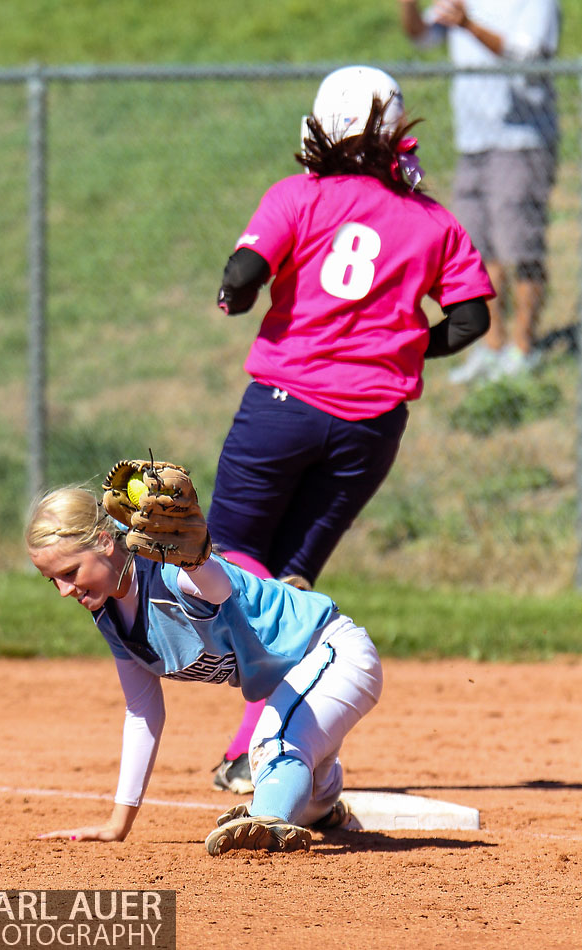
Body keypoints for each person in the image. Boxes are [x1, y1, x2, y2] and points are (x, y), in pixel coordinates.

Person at [206, 64, 494, 791]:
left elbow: (244, 272)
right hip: (370, 425)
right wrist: (401, 344)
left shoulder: (296, 196)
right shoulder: (432, 220)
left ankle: (249, 736)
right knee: (294, 581)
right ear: (396, 133)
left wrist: (233, 297)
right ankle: (253, 752)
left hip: (281, 406)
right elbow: (470, 319)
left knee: (236, 553)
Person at [26, 484, 384, 855]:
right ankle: (322, 800)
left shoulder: (170, 571)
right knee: (303, 796)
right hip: (295, 686)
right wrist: (117, 826)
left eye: (70, 571)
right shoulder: (110, 616)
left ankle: (264, 825)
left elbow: (217, 589)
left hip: (332, 652)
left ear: (104, 542)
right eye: (53, 579)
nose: (65, 590)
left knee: (271, 748)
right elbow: (142, 713)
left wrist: (195, 560)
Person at [398, 0, 561, 383]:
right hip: (472, 141)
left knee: (520, 246)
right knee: (478, 248)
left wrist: (468, 25)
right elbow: (421, 38)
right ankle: (492, 348)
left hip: (522, 139)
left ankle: (524, 348)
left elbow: (528, 56)